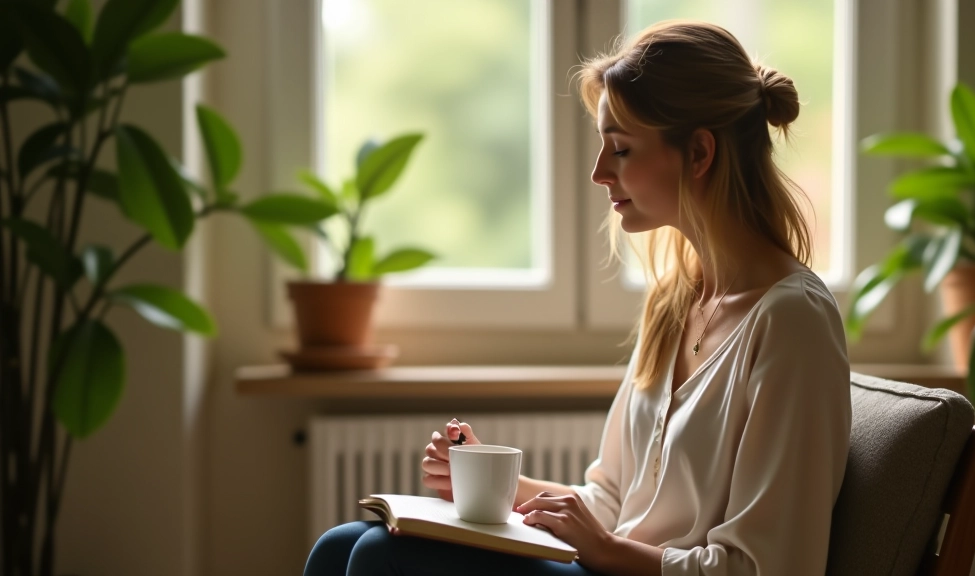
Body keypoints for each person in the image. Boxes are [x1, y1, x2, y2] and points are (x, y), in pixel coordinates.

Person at [303, 19, 851, 576]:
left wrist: (606, 551)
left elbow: (770, 567)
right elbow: (612, 499)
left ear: (700, 153)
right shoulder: (675, 301)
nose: (597, 173)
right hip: (603, 565)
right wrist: (503, 489)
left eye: (620, 149)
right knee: (337, 546)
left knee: (377, 556)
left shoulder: (791, 321)